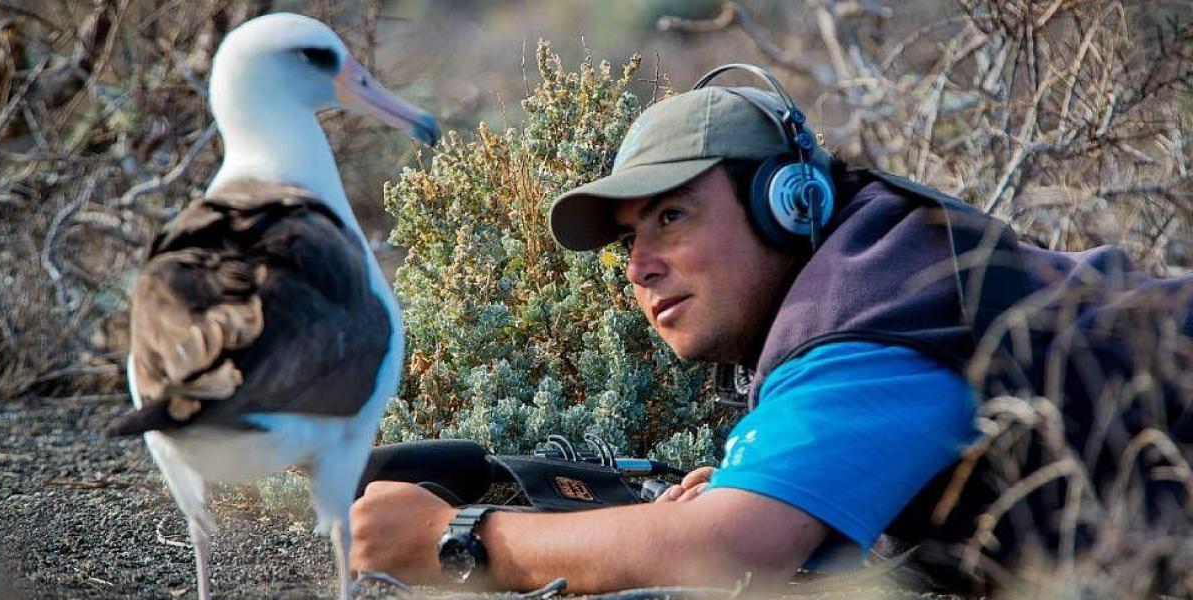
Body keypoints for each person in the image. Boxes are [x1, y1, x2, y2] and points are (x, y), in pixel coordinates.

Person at [349, 64, 1193, 593]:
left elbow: (730, 550)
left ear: (788, 204)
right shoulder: (883, 274)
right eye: (629, 241)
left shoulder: (867, 324)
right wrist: (768, 490)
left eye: (672, 216)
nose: (640, 264)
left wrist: (453, 539)